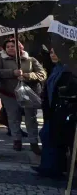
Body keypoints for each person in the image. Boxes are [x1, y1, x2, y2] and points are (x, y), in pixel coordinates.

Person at [0, 38, 46, 154]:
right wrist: (12, 73)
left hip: (27, 94)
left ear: (20, 47)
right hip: (9, 94)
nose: (11, 48)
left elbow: (42, 74)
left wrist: (27, 76)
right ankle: (17, 140)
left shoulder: (30, 60)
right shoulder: (0, 59)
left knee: (31, 118)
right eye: (8, 47)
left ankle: (33, 142)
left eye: (13, 46)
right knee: (13, 118)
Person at [33, 48, 77, 178]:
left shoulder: (70, 70)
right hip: (52, 111)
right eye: (51, 52)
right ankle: (49, 167)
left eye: (57, 52)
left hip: (64, 111)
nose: (53, 55)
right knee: (48, 136)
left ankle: (54, 169)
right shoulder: (56, 68)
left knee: (56, 138)